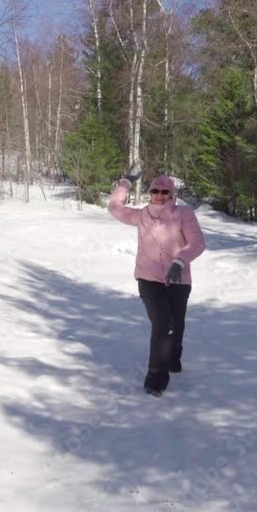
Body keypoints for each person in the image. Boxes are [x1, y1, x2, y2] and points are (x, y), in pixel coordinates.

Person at [108, 165, 207, 397]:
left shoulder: (183, 214)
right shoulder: (141, 215)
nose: (160, 196)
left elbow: (197, 243)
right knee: (163, 325)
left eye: (165, 192)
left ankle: (173, 359)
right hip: (149, 279)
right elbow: (114, 207)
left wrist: (179, 261)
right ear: (150, 193)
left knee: (177, 325)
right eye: (155, 191)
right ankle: (156, 379)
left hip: (178, 278)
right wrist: (125, 182)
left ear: (172, 195)